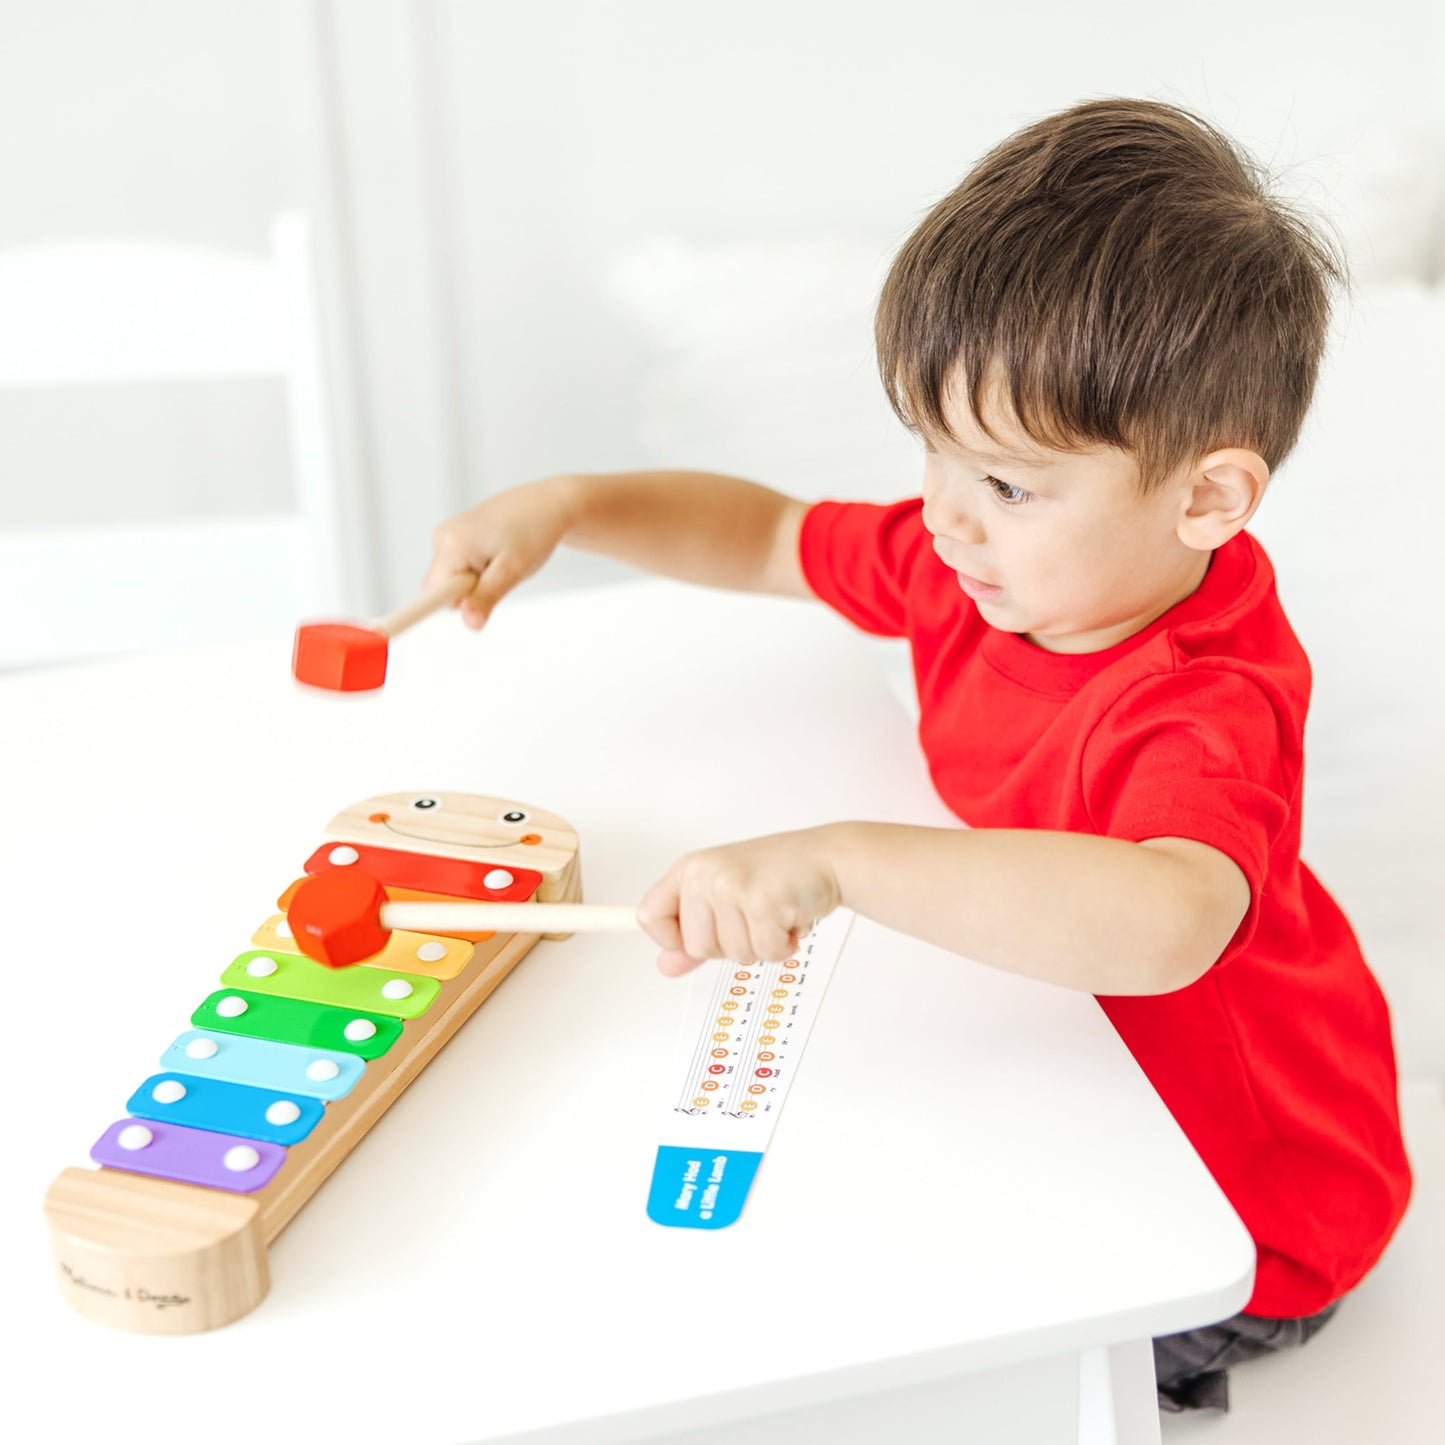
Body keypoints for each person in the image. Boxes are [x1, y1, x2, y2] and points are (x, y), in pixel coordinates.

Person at [425, 97, 1412, 1413]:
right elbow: (770, 536)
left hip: (1251, 1205)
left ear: (1206, 498)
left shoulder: (1201, 700)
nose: (944, 515)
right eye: (931, 451)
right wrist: (572, 505)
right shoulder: (982, 565)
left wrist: (842, 860)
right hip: (1064, 1066)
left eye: (1004, 482)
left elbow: (1169, 921)